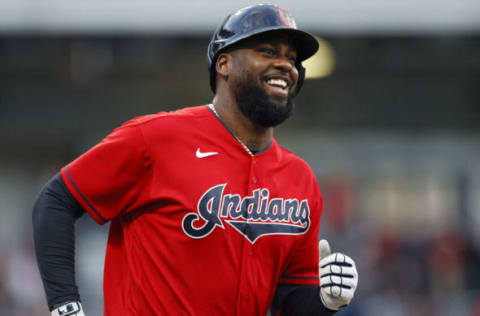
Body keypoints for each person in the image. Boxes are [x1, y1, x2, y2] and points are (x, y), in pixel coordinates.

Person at [32, 4, 358, 316]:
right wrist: (66, 306)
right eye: (268, 52)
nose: (286, 65)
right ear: (224, 63)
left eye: (291, 58)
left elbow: (290, 302)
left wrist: (325, 300)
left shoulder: (300, 178)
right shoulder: (156, 138)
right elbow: (56, 200)